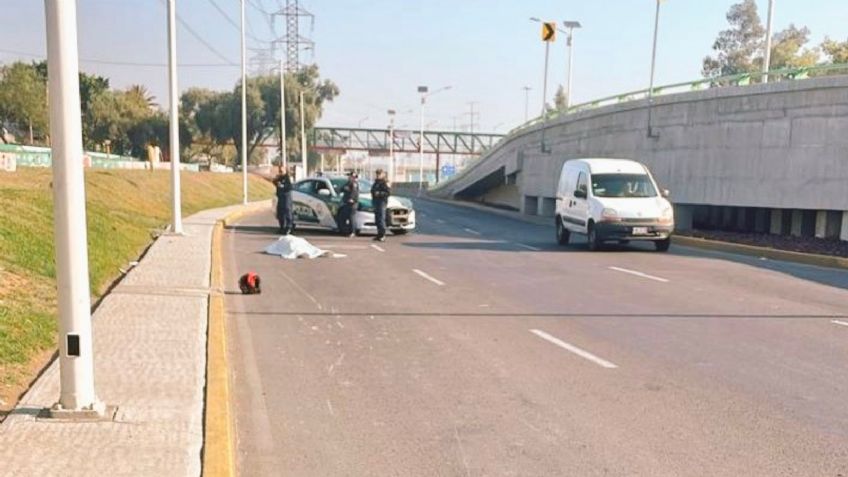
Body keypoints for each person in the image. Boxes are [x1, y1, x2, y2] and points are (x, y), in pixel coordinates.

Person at [370, 169, 391, 241]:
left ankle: (382, 235)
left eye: (379, 174)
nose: (378, 175)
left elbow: (388, 193)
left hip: (382, 202)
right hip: (376, 202)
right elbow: (372, 191)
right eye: (377, 174)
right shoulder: (376, 182)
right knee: (377, 219)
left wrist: (379, 193)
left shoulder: (384, 182)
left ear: (383, 174)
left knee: (381, 218)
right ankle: (379, 234)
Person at [272, 165, 294, 235]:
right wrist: (277, 180)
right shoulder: (279, 177)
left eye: (282, 170)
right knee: (280, 213)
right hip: (280, 197)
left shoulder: (287, 177)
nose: (281, 172)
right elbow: (274, 182)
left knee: (287, 212)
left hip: (286, 197)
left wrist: (283, 186)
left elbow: (290, 187)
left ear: (285, 170)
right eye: (280, 170)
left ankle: (289, 227)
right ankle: (282, 227)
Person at [339, 172, 360, 237]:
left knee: (352, 217)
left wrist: (351, 198)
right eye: (349, 176)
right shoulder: (348, 183)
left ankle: (353, 231)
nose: (349, 177)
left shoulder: (354, 184)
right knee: (344, 217)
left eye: (351, 176)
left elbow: (354, 192)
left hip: (352, 203)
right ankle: (345, 231)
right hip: (346, 203)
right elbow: (342, 189)